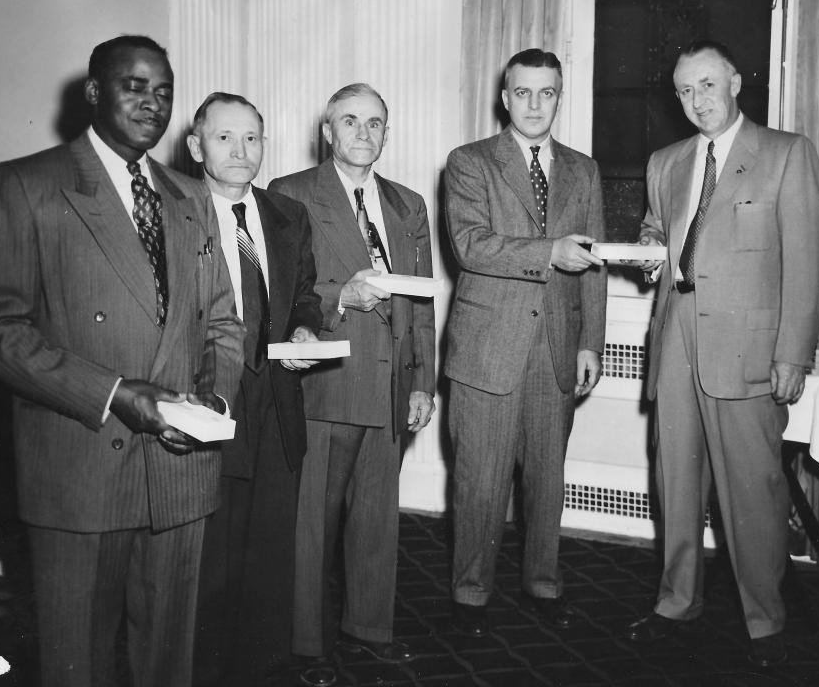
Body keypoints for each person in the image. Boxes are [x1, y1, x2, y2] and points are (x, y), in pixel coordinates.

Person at [0, 36, 244, 687]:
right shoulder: (27, 185)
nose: (153, 103)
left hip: (181, 470)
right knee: (77, 666)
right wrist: (117, 393)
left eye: (164, 91)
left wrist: (216, 399)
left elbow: (223, 321)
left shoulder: (191, 196)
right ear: (94, 93)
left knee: (170, 664)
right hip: (80, 469)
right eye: (134, 86)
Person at [625, 40, 819, 668]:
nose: (696, 101)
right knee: (676, 483)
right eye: (685, 90)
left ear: (736, 82)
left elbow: (807, 262)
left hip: (749, 346)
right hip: (678, 335)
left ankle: (765, 623)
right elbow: (660, 231)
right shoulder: (665, 161)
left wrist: (793, 354)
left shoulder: (786, 154)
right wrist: (645, 248)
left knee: (754, 492)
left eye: (708, 85)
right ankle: (675, 603)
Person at [268, 83, 436, 680]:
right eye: (350, 122)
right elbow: (281, 293)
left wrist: (423, 382)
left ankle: (369, 626)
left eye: (374, 124)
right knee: (313, 522)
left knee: (375, 517)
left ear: (386, 134)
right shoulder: (290, 195)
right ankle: (308, 644)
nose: (363, 134)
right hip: (330, 380)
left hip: (392, 387)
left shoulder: (409, 204)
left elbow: (422, 303)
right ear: (328, 132)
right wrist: (344, 295)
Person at [443, 48, 607, 637]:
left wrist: (592, 342)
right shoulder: (469, 162)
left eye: (548, 93)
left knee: (547, 478)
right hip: (487, 348)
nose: (535, 104)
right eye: (524, 92)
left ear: (560, 97)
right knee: (479, 480)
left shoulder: (584, 170)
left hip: (557, 349)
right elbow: (470, 244)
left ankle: (543, 583)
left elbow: (594, 265)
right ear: (504, 97)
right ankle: (469, 593)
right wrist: (548, 252)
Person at [186, 93, 322, 685]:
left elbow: (308, 295)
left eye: (253, 139)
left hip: (277, 403)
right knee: (212, 551)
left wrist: (304, 328)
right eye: (225, 138)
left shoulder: (288, 214)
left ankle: (263, 666)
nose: (242, 152)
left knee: (271, 542)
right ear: (196, 147)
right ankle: (206, 669)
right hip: (209, 402)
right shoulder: (176, 211)